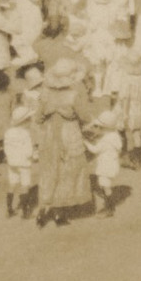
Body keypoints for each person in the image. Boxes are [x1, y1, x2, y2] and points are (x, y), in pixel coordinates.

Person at [31, 56, 95, 227]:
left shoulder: (44, 93)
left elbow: (38, 116)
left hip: (49, 134)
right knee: (67, 172)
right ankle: (60, 213)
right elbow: (85, 116)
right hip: (69, 133)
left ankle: (42, 210)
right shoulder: (73, 95)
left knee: (48, 171)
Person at [2, 102, 36, 220]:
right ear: (24, 121)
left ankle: (9, 209)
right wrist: (34, 155)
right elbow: (28, 151)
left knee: (12, 183)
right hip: (23, 163)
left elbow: (6, 147)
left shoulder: (8, 133)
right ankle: (26, 212)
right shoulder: (25, 134)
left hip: (12, 162)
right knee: (25, 184)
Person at [87, 110, 123, 217]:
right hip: (113, 165)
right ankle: (109, 206)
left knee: (105, 186)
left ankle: (109, 208)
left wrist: (85, 142)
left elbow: (94, 149)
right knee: (105, 185)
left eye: (100, 127)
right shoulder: (115, 136)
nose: (99, 129)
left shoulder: (106, 139)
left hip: (105, 167)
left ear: (106, 128)